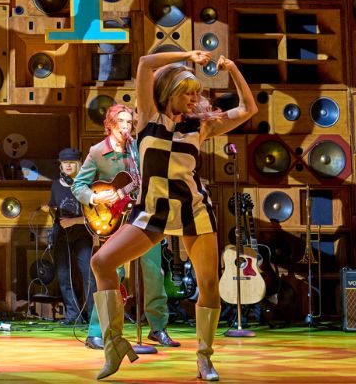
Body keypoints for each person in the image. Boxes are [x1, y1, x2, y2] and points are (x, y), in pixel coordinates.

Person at [89, 52, 256, 381]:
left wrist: (234, 68)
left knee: (209, 284)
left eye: (196, 93)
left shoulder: (200, 125)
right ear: (169, 92)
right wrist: (187, 55)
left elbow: (248, 109)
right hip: (152, 211)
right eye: (187, 92)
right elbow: (144, 63)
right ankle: (114, 345)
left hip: (193, 210)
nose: (194, 98)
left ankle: (204, 358)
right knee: (101, 263)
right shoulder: (148, 117)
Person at [71, 104, 178, 350]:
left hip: (142, 217)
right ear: (110, 125)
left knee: (154, 272)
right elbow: (78, 186)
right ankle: (97, 332)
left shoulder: (137, 148)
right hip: (114, 221)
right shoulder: (98, 151)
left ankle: (158, 328)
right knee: (112, 273)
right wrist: (96, 198)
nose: (125, 126)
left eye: (129, 122)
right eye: (120, 121)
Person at [47, 147, 95, 326]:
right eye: (64, 163)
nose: (67, 166)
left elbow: (96, 217)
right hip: (61, 235)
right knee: (63, 276)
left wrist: (74, 221)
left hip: (83, 235)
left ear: (79, 164)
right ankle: (73, 314)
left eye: (71, 163)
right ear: (60, 166)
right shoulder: (56, 185)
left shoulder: (86, 185)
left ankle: (92, 315)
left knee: (88, 274)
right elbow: (54, 208)